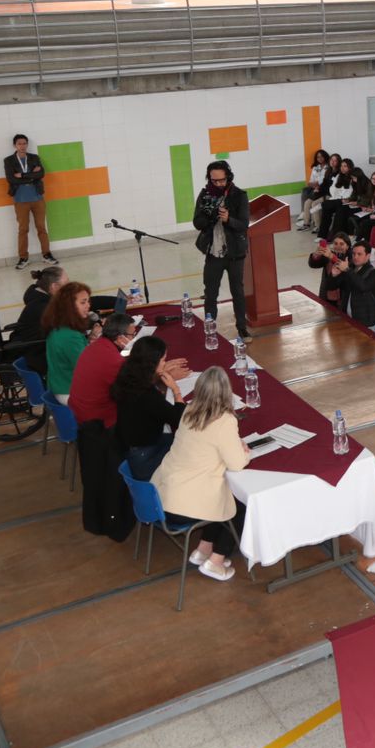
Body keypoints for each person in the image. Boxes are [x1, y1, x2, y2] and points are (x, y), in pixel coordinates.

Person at [151, 367, 250, 583]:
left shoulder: (189, 410)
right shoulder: (224, 420)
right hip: (184, 504)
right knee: (240, 506)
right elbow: (236, 464)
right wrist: (244, 452)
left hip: (161, 493)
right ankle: (216, 561)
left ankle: (203, 549)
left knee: (220, 496)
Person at [69, 312, 142, 541]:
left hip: (84, 420)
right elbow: (135, 388)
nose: (134, 337)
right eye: (132, 334)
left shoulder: (96, 348)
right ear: (121, 338)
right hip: (102, 424)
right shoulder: (112, 361)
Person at [111, 335, 184, 480]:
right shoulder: (147, 395)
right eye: (163, 360)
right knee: (192, 448)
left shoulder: (128, 375)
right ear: (152, 363)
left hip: (132, 445)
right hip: (147, 458)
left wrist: (159, 377)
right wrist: (175, 389)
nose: (165, 363)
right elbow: (180, 420)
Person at [193, 161, 251, 337]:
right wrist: (209, 217)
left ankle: (242, 327)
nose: (218, 184)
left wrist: (228, 219)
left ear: (228, 177)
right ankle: (211, 327)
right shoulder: (204, 195)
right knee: (210, 293)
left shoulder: (239, 195)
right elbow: (197, 222)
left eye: (221, 180)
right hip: (213, 252)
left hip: (235, 253)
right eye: (214, 181)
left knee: (238, 292)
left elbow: (244, 224)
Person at [4, 133, 57, 270]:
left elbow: (41, 174)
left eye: (24, 143)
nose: (22, 146)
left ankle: (47, 255)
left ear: (27, 144)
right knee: (23, 229)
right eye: (19, 143)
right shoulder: (9, 161)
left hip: (37, 198)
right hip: (21, 200)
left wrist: (22, 175)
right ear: (15, 145)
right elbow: (11, 179)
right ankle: (23, 258)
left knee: (41, 228)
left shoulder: (34, 158)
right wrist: (32, 176)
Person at [42, 281, 97, 401]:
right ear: (69, 306)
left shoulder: (60, 327)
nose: (88, 305)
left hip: (61, 387)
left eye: (88, 301)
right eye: (83, 302)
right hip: (70, 391)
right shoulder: (70, 336)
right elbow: (87, 369)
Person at [337, 241, 375, 329]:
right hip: (349, 320)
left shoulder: (374, 274)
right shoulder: (351, 270)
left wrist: (347, 271)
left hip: (367, 324)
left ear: (368, 256)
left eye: (359, 254)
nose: (355, 257)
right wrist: (334, 275)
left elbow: (363, 286)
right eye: (353, 254)